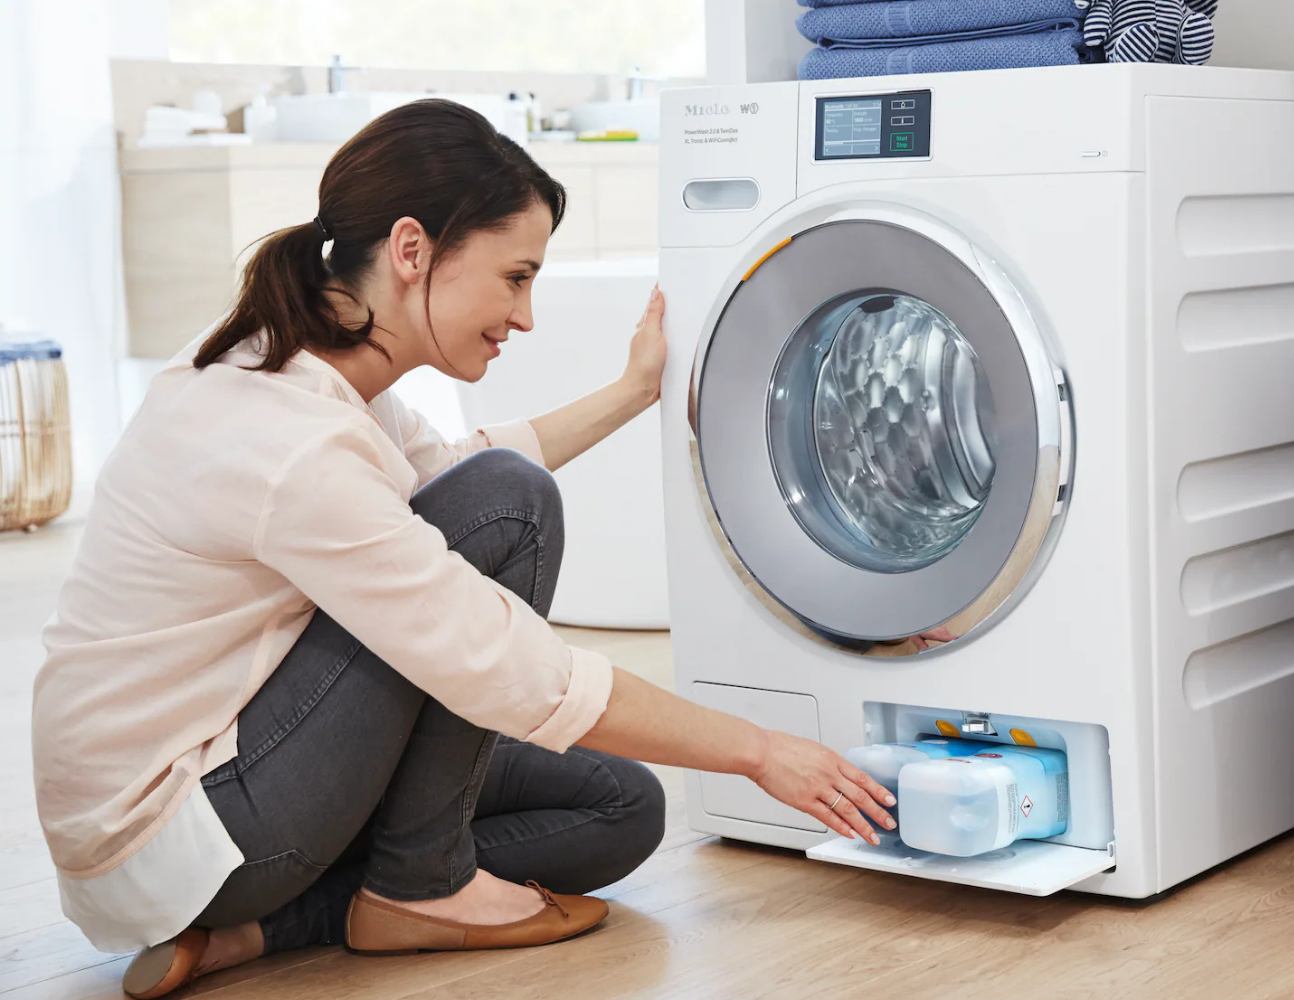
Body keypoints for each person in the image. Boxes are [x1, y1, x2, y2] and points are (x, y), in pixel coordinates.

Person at [30, 100, 897, 1000]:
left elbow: (451, 470)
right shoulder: (288, 435)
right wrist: (760, 751)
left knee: (622, 807)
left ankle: (284, 927)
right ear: (414, 251)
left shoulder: (307, 368)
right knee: (512, 511)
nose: (524, 315)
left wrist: (634, 392)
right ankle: (418, 885)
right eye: (515, 276)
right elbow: (509, 652)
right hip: (181, 826)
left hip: (230, 788)